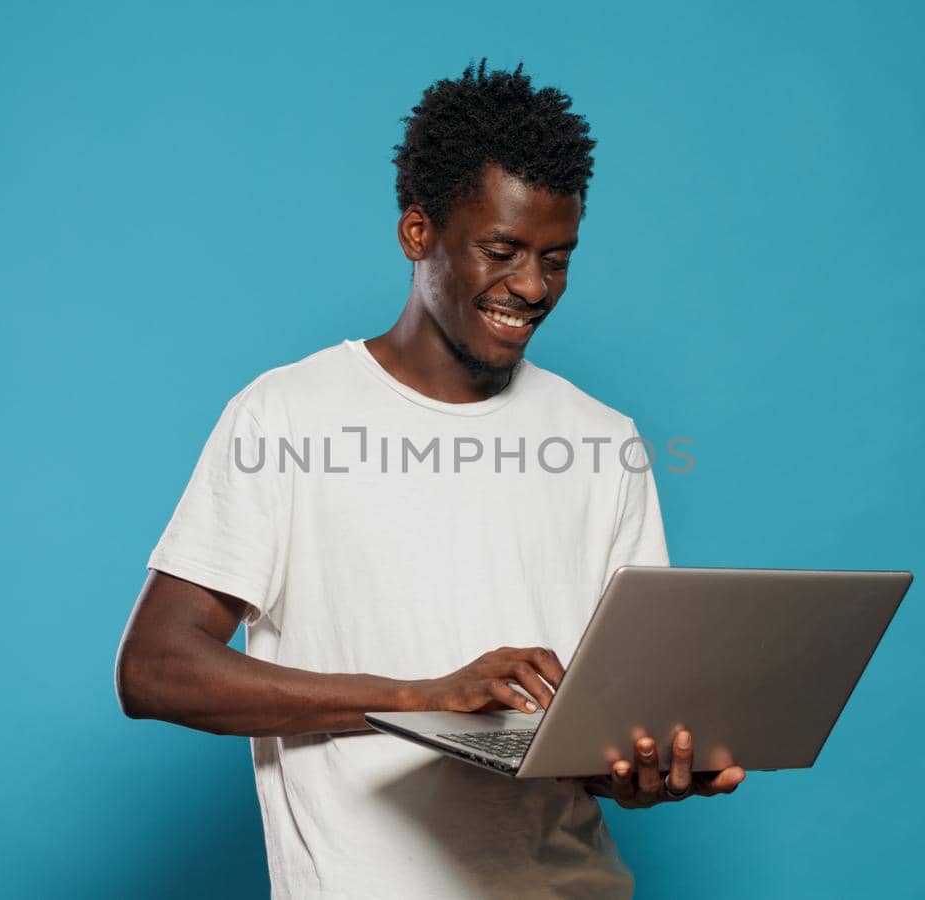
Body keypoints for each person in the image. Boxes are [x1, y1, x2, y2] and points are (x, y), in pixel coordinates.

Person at [115, 59, 745, 899]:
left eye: (557, 258)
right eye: (503, 250)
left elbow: (600, 725)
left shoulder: (605, 441)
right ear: (418, 233)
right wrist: (422, 697)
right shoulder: (287, 416)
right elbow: (155, 668)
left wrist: (640, 769)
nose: (532, 287)